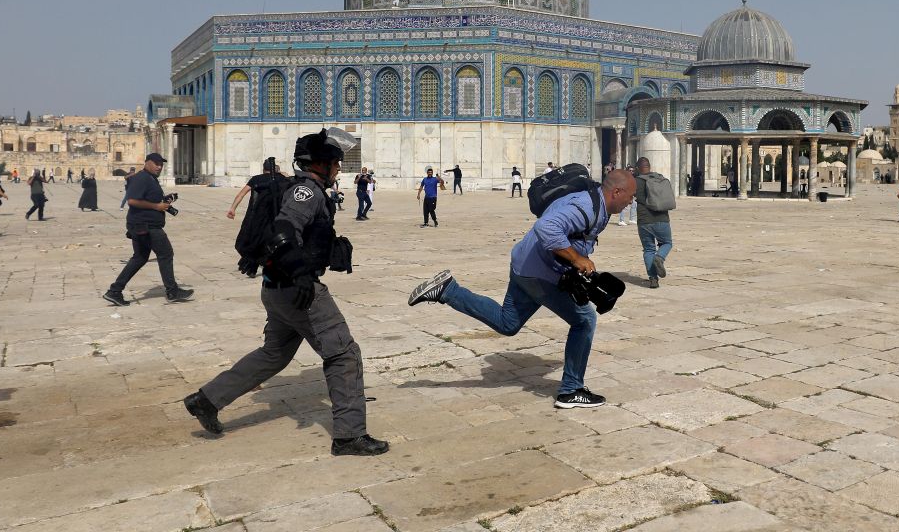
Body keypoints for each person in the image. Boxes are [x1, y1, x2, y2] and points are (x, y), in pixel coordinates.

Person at [184, 128, 389, 457]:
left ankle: (206, 400)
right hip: (297, 291)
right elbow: (283, 231)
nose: (338, 167)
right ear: (320, 164)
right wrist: (301, 274)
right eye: (334, 162)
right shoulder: (306, 192)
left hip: (277, 289)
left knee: (274, 353)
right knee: (343, 353)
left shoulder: (308, 188)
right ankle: (349, 435)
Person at [408, 168, 635, 409]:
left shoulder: (595, 203)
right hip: (540, 273)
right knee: (585, 320)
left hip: (524, 263)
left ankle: (448, 290)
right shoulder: (586, 207)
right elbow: (546, 227)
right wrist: (576, 258)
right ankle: (571, 390)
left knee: (508, 323)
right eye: (630, 196)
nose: (632, 201)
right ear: (616, 191)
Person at [103, 153, 194, 304]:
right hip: (146, 225)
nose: (159, 166)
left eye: (161, 164)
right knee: (165, 254)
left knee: (139, 258)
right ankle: (173, 291)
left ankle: (114, 291)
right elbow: (132, 201)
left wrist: (164, 201)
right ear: (146, 163)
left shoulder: (150, 178)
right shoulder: (142, 178)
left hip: (141, 224)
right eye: (156, 163)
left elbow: (146, 198)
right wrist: (157, 206)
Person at [634, 157, 672, 289]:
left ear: (638, 168)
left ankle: (653, 279)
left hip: (644, 220)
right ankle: (660, 257)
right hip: (662, 218)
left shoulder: (636, 181)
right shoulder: (659, 178)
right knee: (667, 243)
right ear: (649, 166)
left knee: (649, 249)